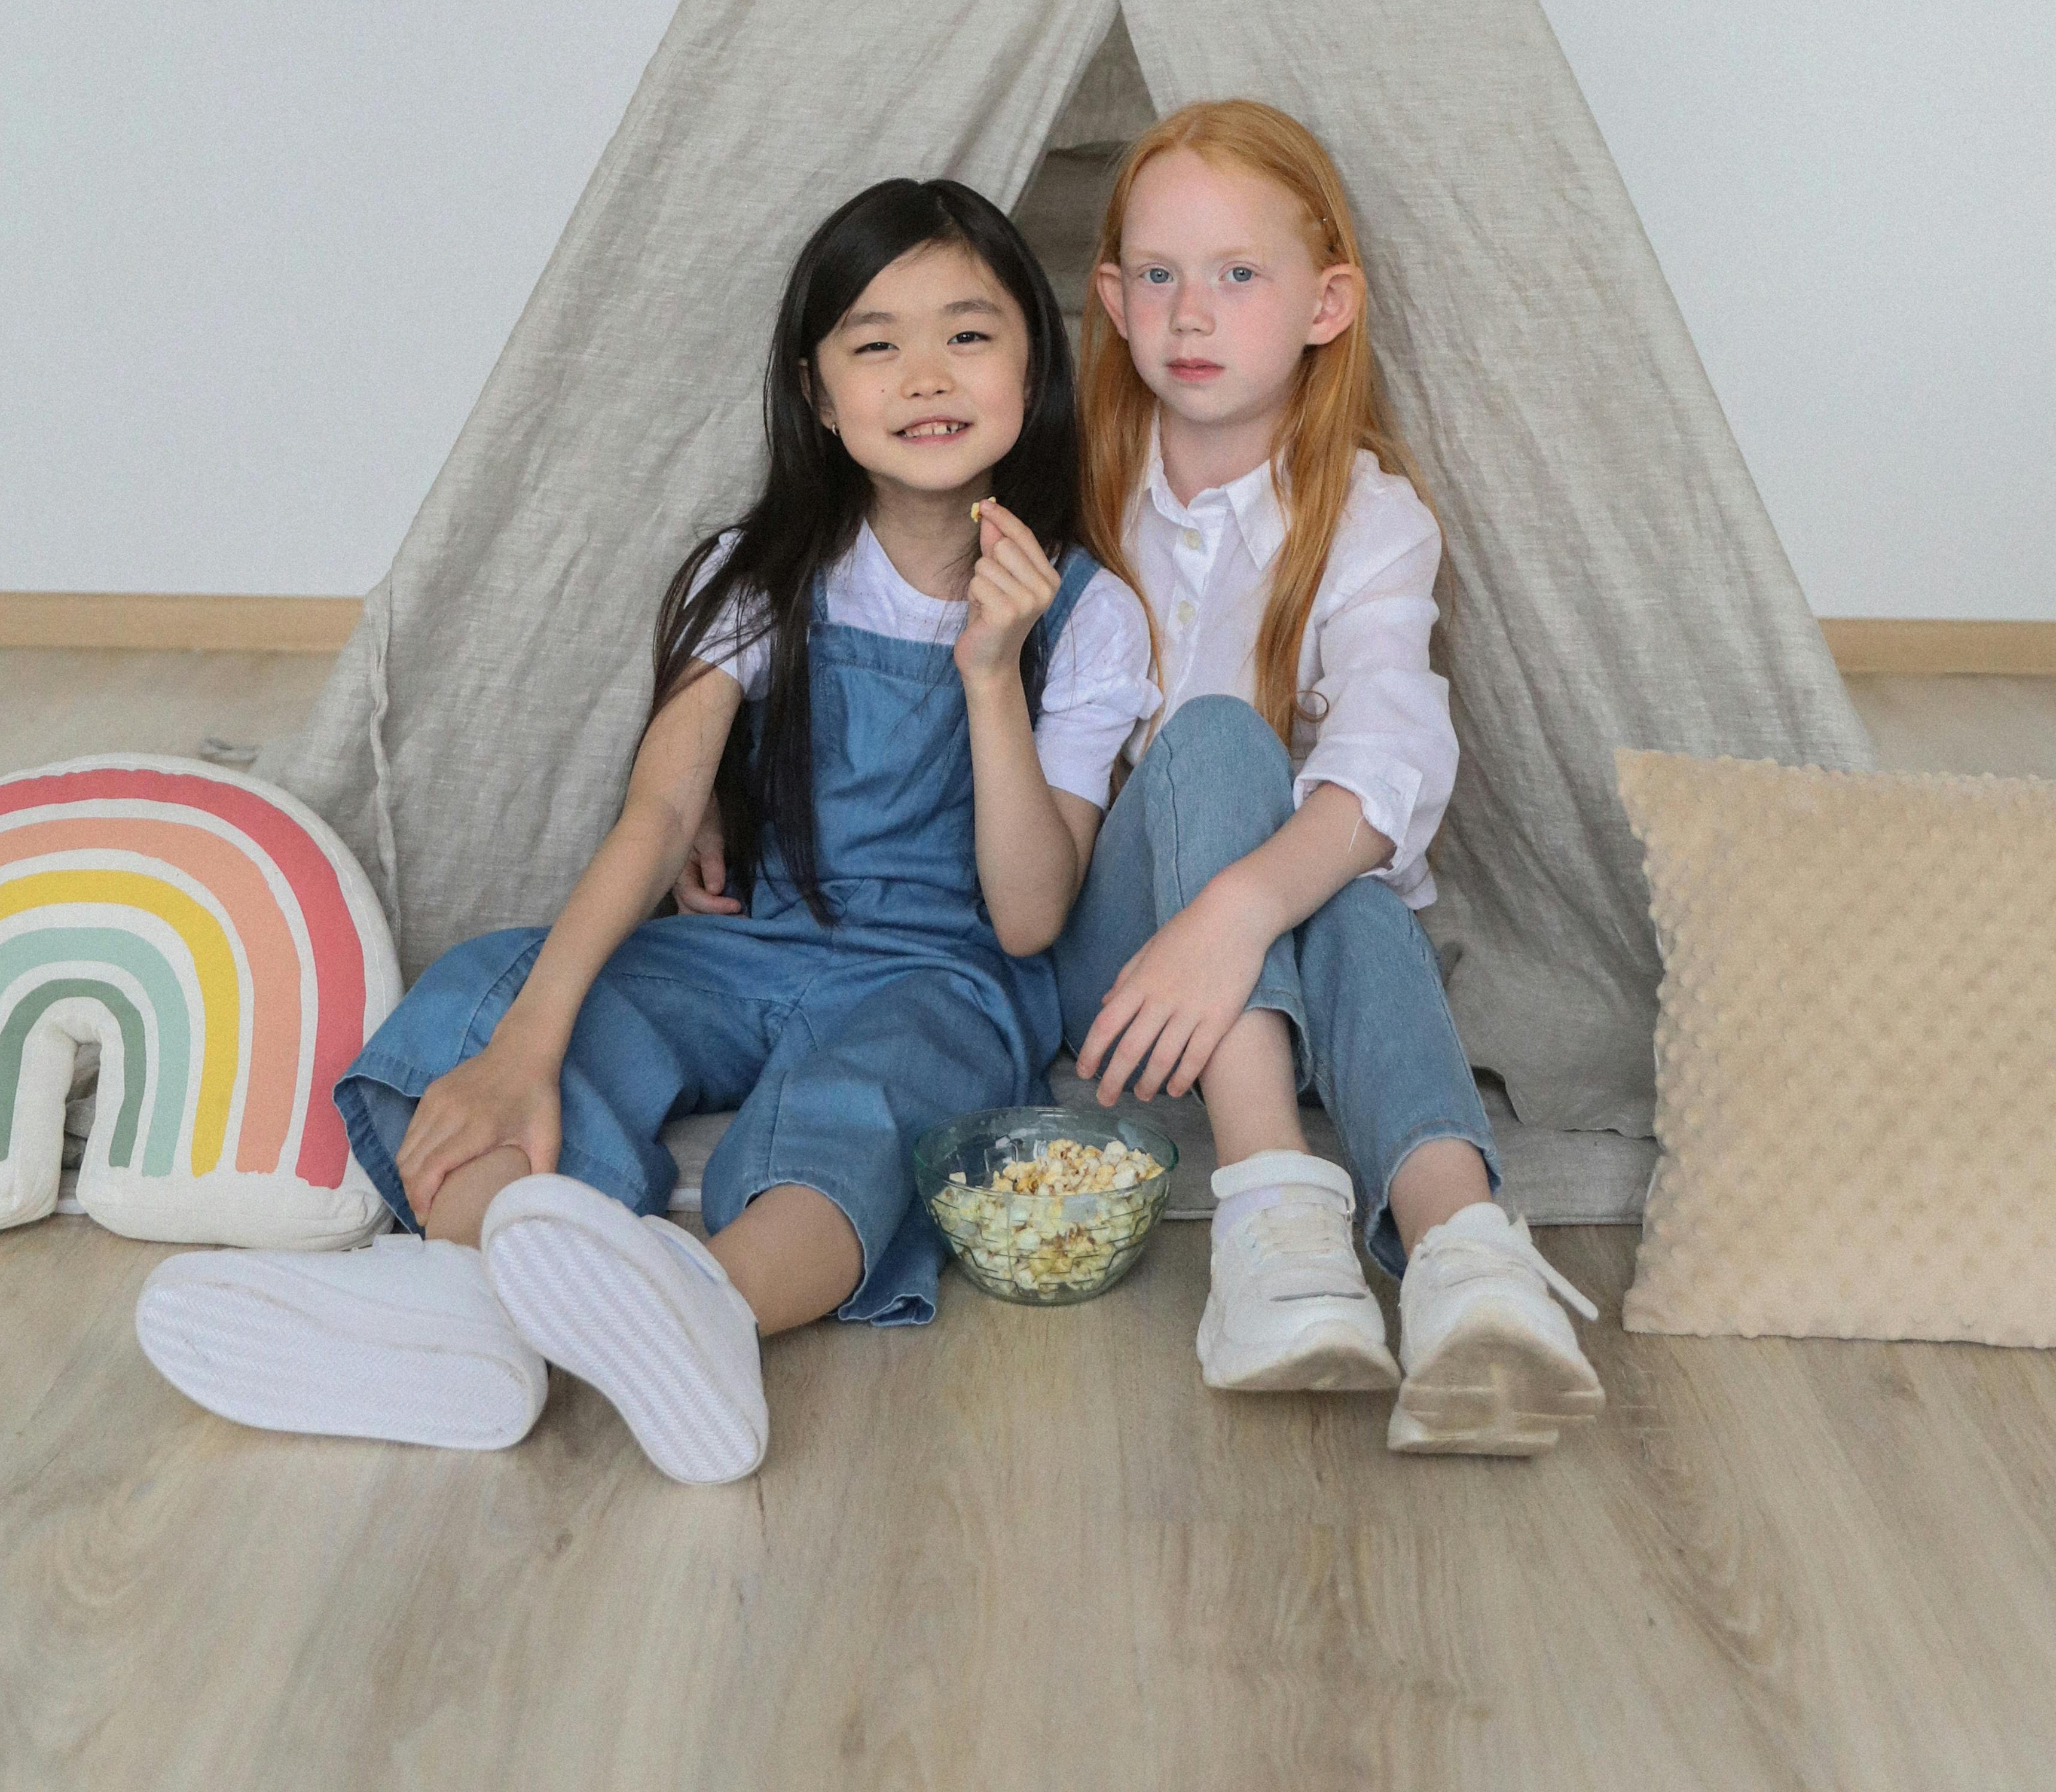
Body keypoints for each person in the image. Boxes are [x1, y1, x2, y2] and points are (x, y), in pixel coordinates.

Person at [133, 176, 1156, 1483]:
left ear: (1033, 363)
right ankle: (474, 1308)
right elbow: (662, 807)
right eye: (872, 342)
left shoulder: (1089, 613)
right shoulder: (759, 574)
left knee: (872, 1106)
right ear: (817, 394)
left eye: (967, 333)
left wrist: (988, 674)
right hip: (759, 942)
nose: (922, 375)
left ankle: (702, 1310)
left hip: (945, 978)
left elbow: (1027, 915)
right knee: (503, 988)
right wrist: (525, 1045)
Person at [1059, 98, 1605, 1458]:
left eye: (1239, 275)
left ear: (1324, 304)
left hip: (1243, 947)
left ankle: (1460, 1255)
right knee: (1215, 742)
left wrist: (1236, 913)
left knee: (1354, 894)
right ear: (1114, 299)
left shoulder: (1363, 515)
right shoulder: (1079, 490)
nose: (1194, 315)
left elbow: (1389, 755)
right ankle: (1270, 1210)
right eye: (1162, 276)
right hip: (1104, 960)